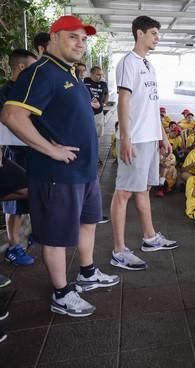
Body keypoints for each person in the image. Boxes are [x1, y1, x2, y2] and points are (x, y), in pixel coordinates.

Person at [1, 15, 119, 316]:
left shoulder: (69, 73)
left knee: (87, 221)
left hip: (83, 170)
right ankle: (61, 293)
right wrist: (50, 150)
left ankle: (87, 273)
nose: (80, 43)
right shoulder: (41, 72)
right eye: (72, 37)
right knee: (56, 234)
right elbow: (12, 116)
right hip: (58, 173)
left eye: (84, 38)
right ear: (53, 38)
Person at [110, 16, 178, 271]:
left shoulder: (149, 66)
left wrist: (162, 135)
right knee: (123, 192)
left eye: (157, 34)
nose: (157, 38)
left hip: (150, 137)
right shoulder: (128, 63)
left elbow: (151, 104)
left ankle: (149, 237)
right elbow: (124, 101)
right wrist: (125, 138)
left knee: (144, 189)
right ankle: (119, 250)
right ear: (139, 34)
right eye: (153, 33)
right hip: (135, 139)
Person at [0, 49, 37, 267]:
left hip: (34, 150)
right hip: (14, 152)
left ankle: (35, 233)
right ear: (21, 67)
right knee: (13, 205)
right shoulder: (5, 93)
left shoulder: (32, 90)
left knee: (33, 193)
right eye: (32, 68)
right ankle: (13, 247)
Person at [84, 66, 108, 165]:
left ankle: (96, 157)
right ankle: (87, 157)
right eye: (98, 74)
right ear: (92, 74)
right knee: (87, 136)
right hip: (86, 113)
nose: (100, 77)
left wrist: (104, 103)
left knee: (97, 137)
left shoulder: (103, 84)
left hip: (98, 113)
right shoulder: (86, 81)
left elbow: (106, 94)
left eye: (101, 74)